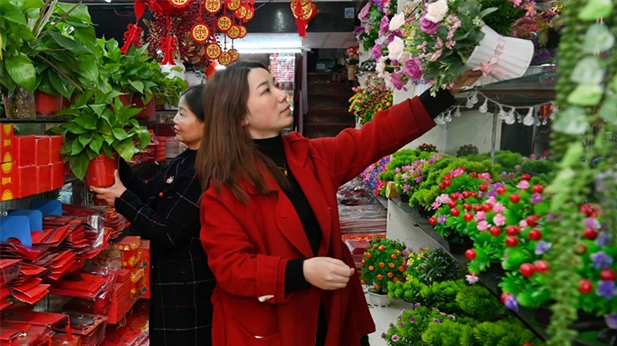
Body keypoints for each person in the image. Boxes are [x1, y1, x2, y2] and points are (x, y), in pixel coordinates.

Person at [195, 61, 481, 346]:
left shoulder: (307, 155)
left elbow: (375, 137)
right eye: (266, 90)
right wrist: (302, 271)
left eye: (276, 84)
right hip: (272, 326)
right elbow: (231, 268)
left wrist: (445, 91)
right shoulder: (224, 191)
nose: (282, 94)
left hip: (327, 315)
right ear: (240, 115)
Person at [91, 84, 214, 346]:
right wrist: (116, 162)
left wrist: (121, 199)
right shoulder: (185, 160)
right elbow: (149, 195)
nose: (174, 120)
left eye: (182, 114)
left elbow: (168, 231)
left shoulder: (203, 170)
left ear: (208, 122)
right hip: (171, 281)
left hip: (187, 286)